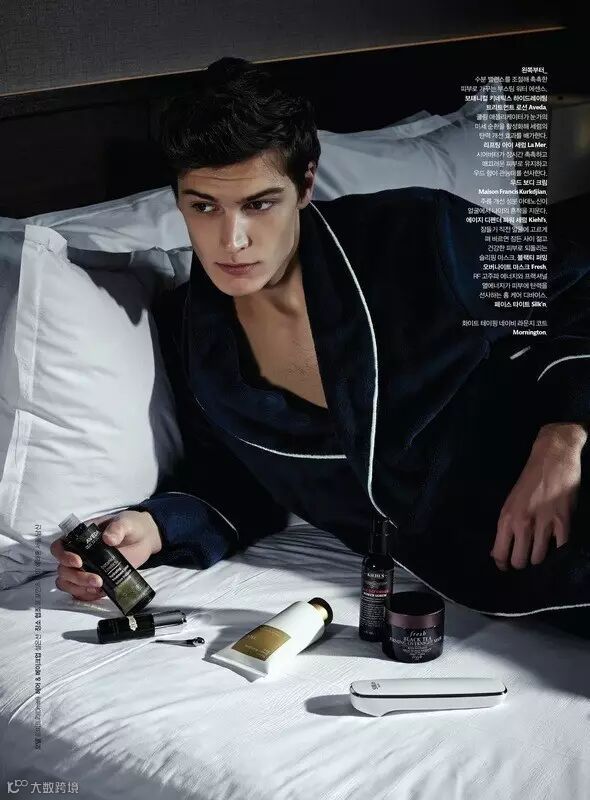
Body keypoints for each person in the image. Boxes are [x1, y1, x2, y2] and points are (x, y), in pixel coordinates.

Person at [51, 57, 590, 630]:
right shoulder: (194, 342)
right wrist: (154, 528)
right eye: (204, 206)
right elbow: (241, 483)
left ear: (305, 184)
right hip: (486, 564)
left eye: (259, 204)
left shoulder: (417, 232)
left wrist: (562, 438)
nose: (232, 241)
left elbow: (577, 293)